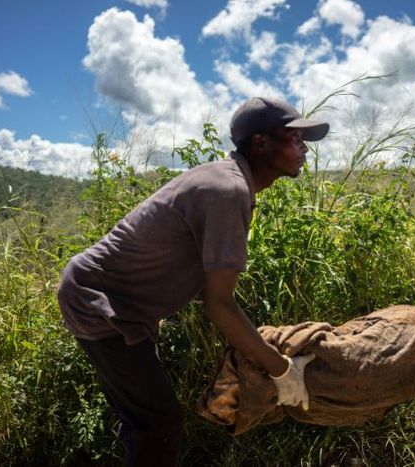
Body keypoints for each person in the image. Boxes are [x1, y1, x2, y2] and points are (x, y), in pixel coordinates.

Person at [57, 97, 329, 466]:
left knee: (146, 419)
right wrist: (281, 369)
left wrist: (252, 350)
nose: (304, 147)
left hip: (125, 307)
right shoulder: (227, 190)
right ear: (260, 143)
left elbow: (209, 291)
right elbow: (219, 303)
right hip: (99, 302)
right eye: (294, 137)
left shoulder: (231, 183)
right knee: (159, 422)